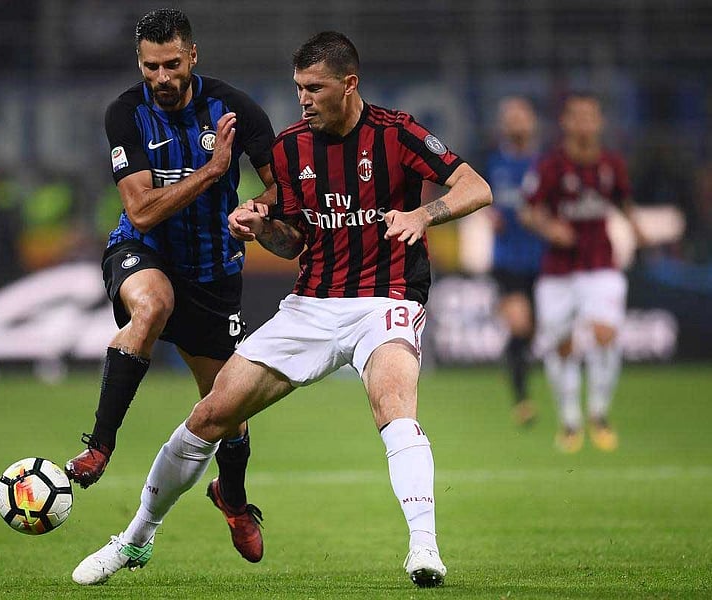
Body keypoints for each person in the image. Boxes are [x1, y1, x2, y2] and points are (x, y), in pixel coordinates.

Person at [70, 31, 492, 589]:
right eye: (298, 89)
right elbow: (292, 241)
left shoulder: (396, 133)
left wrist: (425, 215)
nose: (304, 100)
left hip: (384, 299)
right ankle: (135, 539)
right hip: (310, 306)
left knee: (393, 403)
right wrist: (261, 225)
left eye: (315, 89)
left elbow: (475, 186)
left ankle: (424, 548)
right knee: (210, 418)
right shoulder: (293, 148)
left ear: (349, 85)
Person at [64, 8, 276, 562]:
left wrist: (255, 207)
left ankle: (231, 497)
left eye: (171, 64)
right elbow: (140, 209)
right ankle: (100, 446)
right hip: (143, 250)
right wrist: (211, 172)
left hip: (213, 272)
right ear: (140, 63)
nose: (161, 77)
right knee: (151, 307)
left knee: (226, 408)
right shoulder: (126, 113)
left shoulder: (235, 107)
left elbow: (284, 190)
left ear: (193, 57)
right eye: (150, 66)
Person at [519, 92, 642, 453]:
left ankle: (599, 414)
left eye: (591, 116)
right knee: (563, 346)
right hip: (557, 270)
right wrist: (549, 228)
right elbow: (528, 211)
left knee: (606, 334)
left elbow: (624, 203)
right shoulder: (550, 166)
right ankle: (570, 420)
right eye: (578, 117)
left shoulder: (612, 164)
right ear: (566, 122)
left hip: (601, 264)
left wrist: (639, 230)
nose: (585, 123)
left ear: (600, 122)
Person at [484, 97, 544, 426]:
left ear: (532, 122)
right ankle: (522, 402)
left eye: (522, 117)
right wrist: (487, 214)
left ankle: (510, 360)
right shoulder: (493, 162)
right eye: (510, 118)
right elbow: (478, 197)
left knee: (532, 333)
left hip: (543, 261)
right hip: (507, 260)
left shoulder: (545, 164)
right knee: (520, 325)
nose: (516, 123)